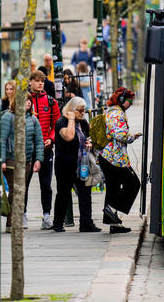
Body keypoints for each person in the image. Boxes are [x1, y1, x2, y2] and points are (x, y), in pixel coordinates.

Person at [52, 97, 100, 233]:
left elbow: (87, 138)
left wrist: (90, 144)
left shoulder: (84, 123)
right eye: (79, 110)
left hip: (82, 164)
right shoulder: (61, 122)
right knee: (63, 193)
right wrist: (71, 119)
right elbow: (69, 136)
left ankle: (86, 223)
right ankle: (58, 223)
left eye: (84, 110)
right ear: (72, 110)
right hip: (65, 165)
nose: (82, 113)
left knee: (85, 192)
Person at [98, 87, 141, 234]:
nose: (130, 104)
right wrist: (132, 137)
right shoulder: (117, 114)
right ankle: (110, 209)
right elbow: (120, 135)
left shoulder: (112, 111)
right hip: (114, 158)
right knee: (134, 183)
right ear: (122, 100)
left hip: (109, 157)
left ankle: (114, 224)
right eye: (129, 101)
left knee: (113, 189)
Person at [0, 93, 44, 231]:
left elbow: (39, 141)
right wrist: (2, 160)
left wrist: (39, 159)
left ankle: (13, 220)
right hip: (11, 158)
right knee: (15, 189)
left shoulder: (33, 119)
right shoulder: (8, 116)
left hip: (27, 160)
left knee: (20, 190)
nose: (29, 102)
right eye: (25, 100)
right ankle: (12, 222)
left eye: (30, 100)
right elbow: (2, 139)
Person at [29, 70, 61, 229]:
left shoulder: (51, 102)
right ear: (30, 82)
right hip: (28, 149)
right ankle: (22, 215)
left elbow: (56, 124)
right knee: (23, 184)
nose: (40, 83)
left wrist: (51, 138)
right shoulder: (24, 101)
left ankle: (47, 216)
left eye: (42, 81)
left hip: (46, 147)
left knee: (46, 184)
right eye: (36, 80)